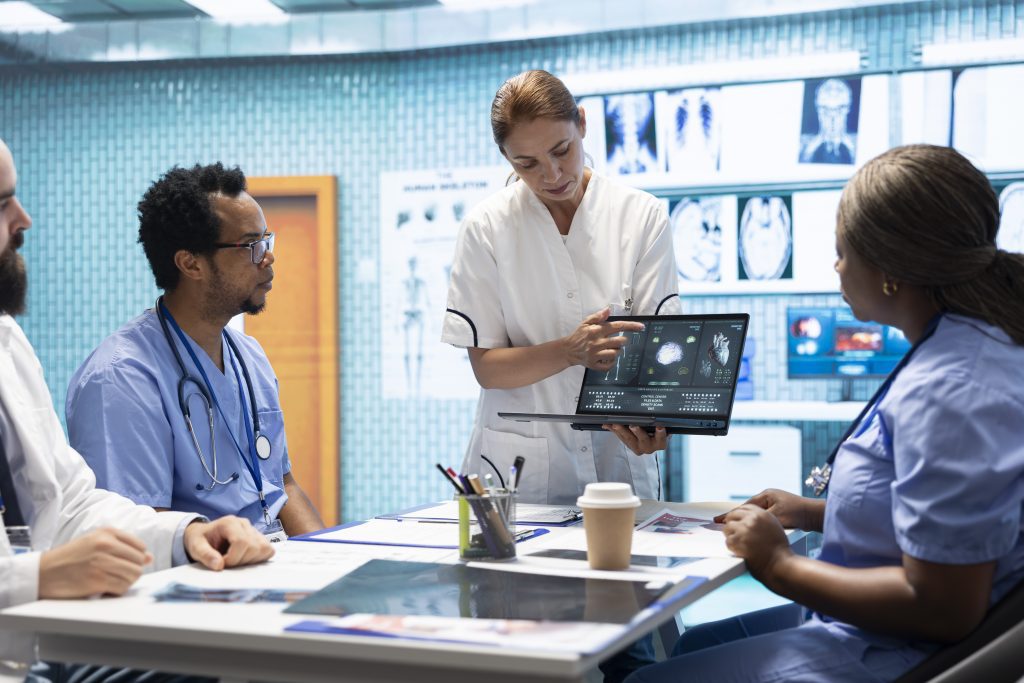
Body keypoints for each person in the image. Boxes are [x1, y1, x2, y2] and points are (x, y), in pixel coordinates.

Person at [626, 144, 1024, 682]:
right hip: (876, 627)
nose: (836, 266)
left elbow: (945, 607)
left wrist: (779, 565)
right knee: (700, 638)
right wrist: (810, 511)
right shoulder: (959, 344)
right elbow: (917, 505)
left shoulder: (952, 390)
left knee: (646, 680)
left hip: (896, 650)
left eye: (842, 251)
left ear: (890, 269)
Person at [0, 140, 274, 679]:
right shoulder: (121, 374)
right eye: (3, 203)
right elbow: (55, 559)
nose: (23, 220)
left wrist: (187, 533)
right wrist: (39, 577)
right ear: (189, 263)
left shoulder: (7, 341)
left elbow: (71, 503)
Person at [442, 70, 682, 508]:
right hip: (521, 473)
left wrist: (653, 424)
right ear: (505, 157)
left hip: (619, 466)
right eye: (526, 163)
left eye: (561, 150)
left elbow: (658, 353)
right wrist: (570, 351)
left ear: (583, 124)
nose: (551, 174)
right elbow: (488, 369)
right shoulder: (487, 228)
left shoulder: (640, 216)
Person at [66, 163, 324, 541]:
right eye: (251, 246)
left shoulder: (249, 357)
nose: (268, 258)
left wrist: (329, 563)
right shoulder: (121, 378)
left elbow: (283, 487)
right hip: (199, 583)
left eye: (267, 241)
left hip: (271, 567)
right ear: (191, 263)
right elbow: (139, 534)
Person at [799, 78, 856, 165]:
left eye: (839, 110)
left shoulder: (860, 144)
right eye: (825, 110)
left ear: (848, 109)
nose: (832, 118)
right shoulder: (801, 146)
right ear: (817, 109)